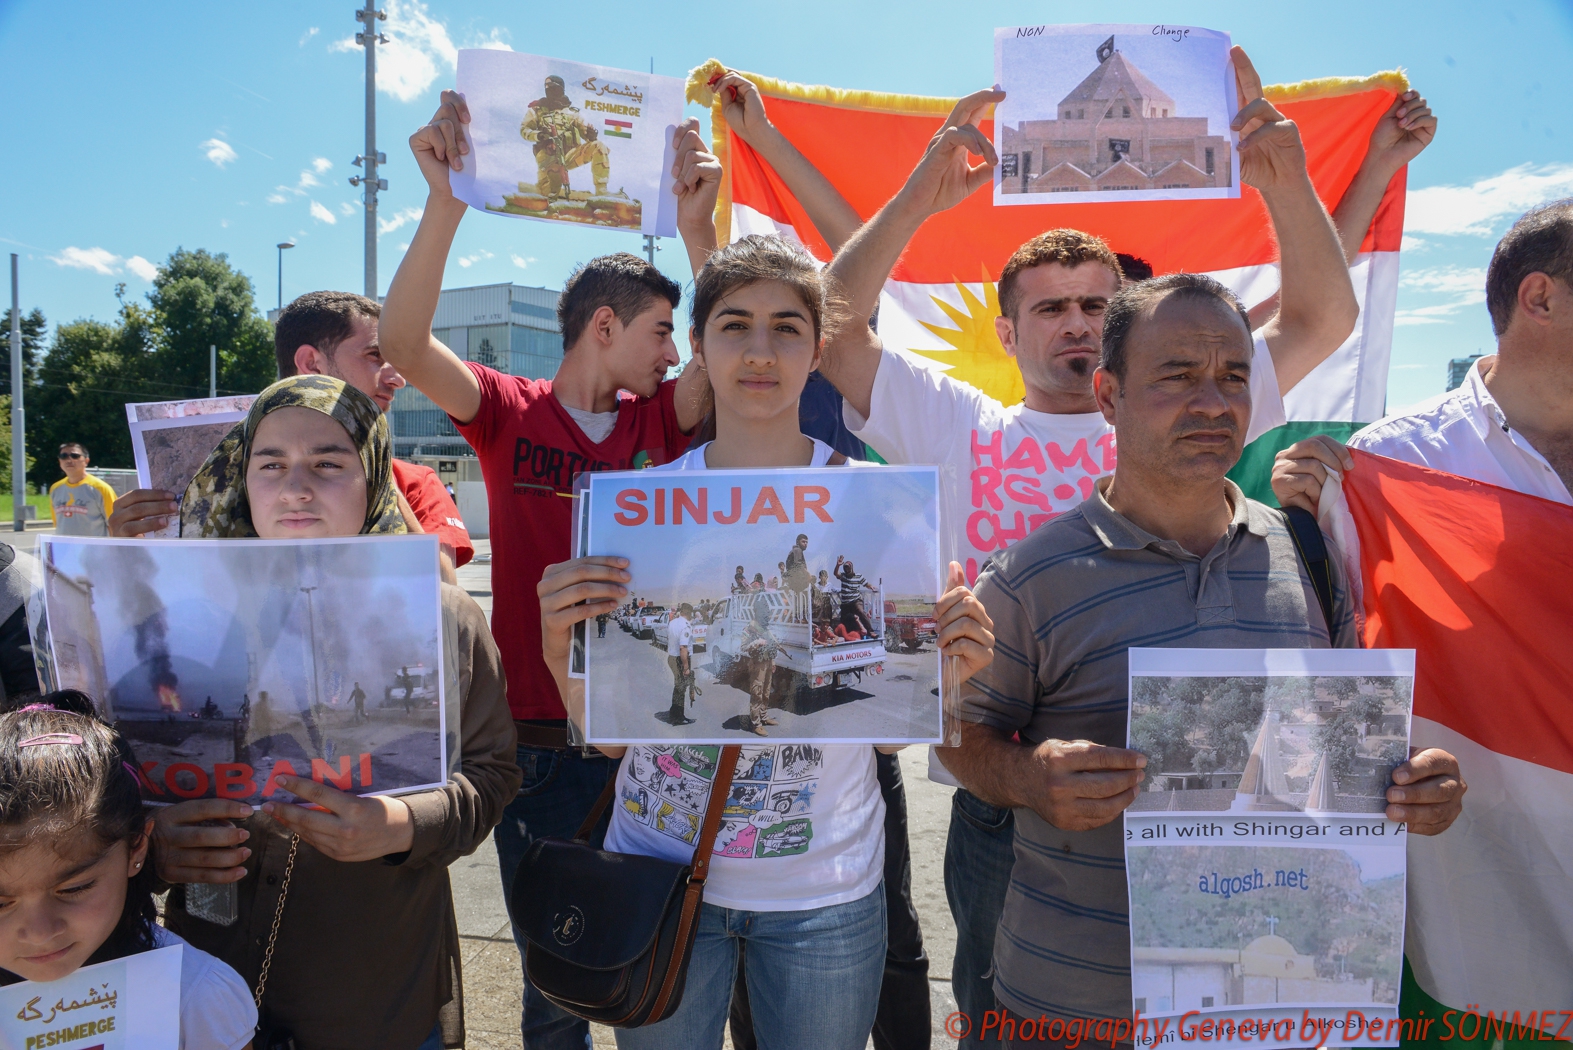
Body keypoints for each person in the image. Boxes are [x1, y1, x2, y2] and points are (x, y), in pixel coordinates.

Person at [815, 50, 1362, 1041]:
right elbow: (831, 324)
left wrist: (1285, 180)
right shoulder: (955, 423)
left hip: (1213, 803)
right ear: (1008, 327)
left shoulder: (1189, 392)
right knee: (1003, 1016)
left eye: (1094, 307)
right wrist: (917, 196)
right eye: (1049, 306)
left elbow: (1324, 314)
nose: (1074, 323)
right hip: (1002, 800)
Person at [939, 272, 1464, 1045]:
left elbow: (1343, 738)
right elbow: (957, 734)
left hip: (1276, 1007)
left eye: (1233, 377)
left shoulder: (1312, 558)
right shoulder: (1029, 577)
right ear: (1109, 396)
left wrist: (1417, 781)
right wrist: (1025, 777)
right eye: (1177, 376)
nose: (1213, 403)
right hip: (1074, 1012)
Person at [537, 234, 996, 1050]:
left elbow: (887, 734)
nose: (759, 351)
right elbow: (610, 740)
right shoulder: (633, 510)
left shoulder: (880, 503)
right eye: (733, 325)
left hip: (827, 892)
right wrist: (556, 645)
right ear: (699, 350)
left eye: (786, 327)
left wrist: (947, 671)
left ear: (817, 350)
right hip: (655, 872)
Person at [379, 89, 717, 1050]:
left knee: (654, 955)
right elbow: (404, 346)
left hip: (647, 727)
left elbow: (728, 358)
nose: (674, 353)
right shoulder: (508, 409)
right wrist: (445, 200)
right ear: (603, 326)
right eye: (661, 331)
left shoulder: (665, 418)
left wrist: (698, 229)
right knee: (555, 976)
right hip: (535, 738)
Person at [153, 375, 521, 1049]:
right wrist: (149, 850)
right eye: (271, 465)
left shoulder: (443, 617)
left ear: (374, 476)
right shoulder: (177, 620)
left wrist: (402, 824)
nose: (296, 488)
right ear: (242, 477)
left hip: (375, 989)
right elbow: (101, 788)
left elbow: (492, 776)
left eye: (328, 463)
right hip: (204, 979)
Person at [1270, 198, 1568, 1021]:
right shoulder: (1391, 467)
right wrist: (1307, 514)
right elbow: (1328, 680)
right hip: (1470, 904)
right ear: (1538, 299)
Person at [108, 289, 476, 586]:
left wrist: (377, 483)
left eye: (328, 465)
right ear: (312, 364)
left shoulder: (415, 482)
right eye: (375, 356)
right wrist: (127, 551)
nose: (398, 378)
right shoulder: (207, 479)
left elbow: (443, 600)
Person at [0, 690, 257, 1048]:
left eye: (73, 889)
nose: (40, 933)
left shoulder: (195, 998)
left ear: (136, 847)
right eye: (1, 904)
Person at [521, 75, 611, 198]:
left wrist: (591, 134)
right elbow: (524, 129)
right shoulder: (536, 110)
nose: (548, 90)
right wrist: (539, 136)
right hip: (548, 158)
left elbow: (586, 133)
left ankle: (602, 191)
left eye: (552, 87)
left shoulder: (572, 113)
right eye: (546, 87)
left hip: (569, 155)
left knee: (598, 146)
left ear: (560, 89)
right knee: (548, 194)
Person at [48, 443, 116, 537]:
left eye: (75, 456)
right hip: (65, 549)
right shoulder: (55, 489)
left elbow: (114, 524)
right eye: (63, 456)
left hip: (94, 550)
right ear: (59, 460)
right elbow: (57, 523)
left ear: (86, 461)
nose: (69, 460)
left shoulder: (101, 488)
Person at [664, 602, 696, 727]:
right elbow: (683, 648)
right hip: (680, 660)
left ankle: (674, 713)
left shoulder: (673, 622)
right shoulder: (685, 626)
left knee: (678, 687)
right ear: (687, 612)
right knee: (681, 689)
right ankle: (678, 718)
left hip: (672, 658)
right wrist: (686, 667)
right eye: (690, 614)